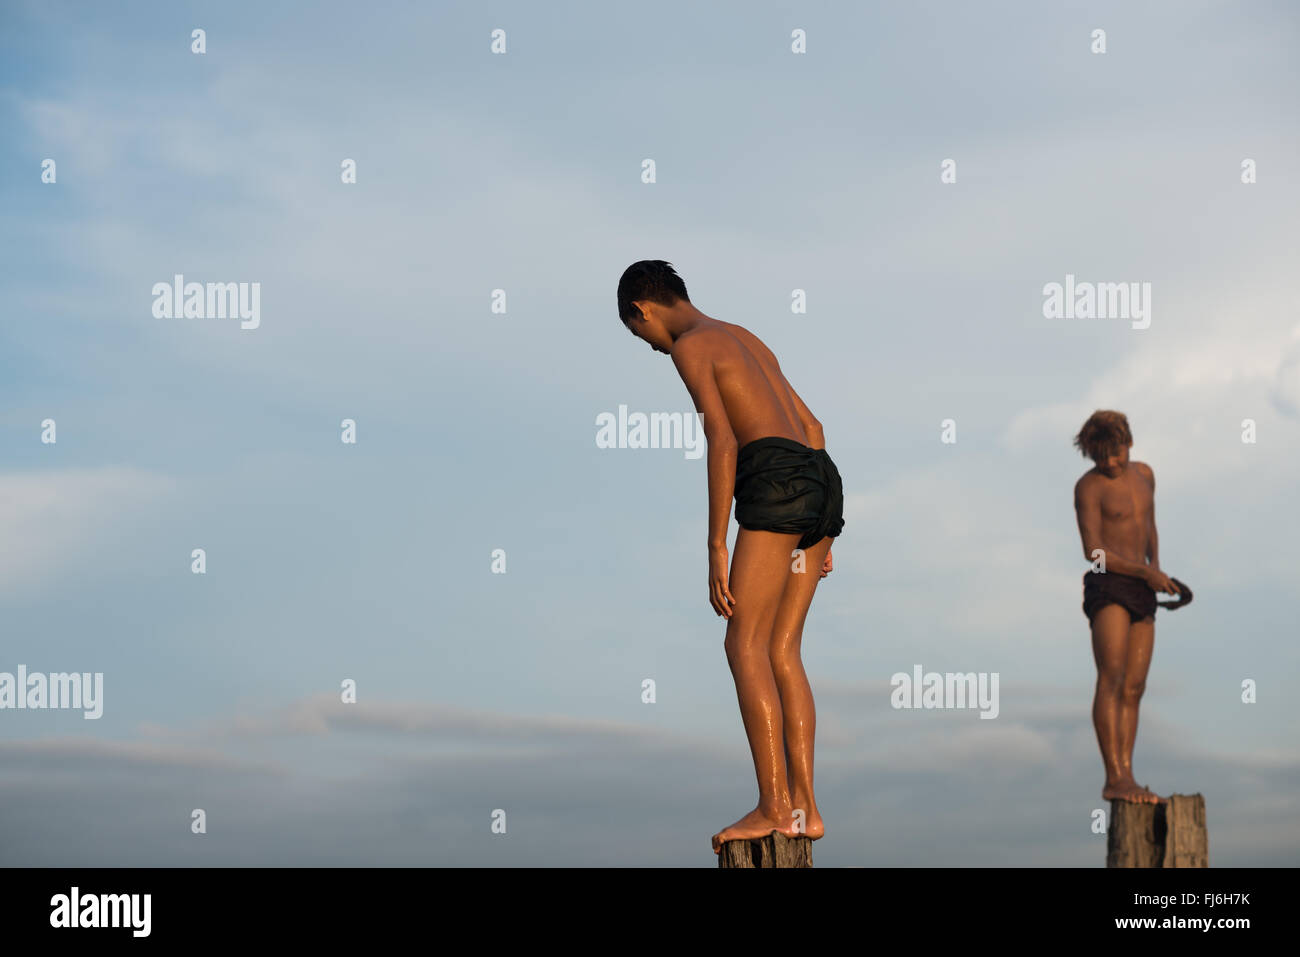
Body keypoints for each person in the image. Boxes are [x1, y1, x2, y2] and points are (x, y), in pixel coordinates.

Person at [617, 260, 844, 852]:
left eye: (637, 335)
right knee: (783, 649)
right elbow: (813, 424)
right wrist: (824, 533)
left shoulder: (694, 346)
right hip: (820, 481)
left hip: (773, 481)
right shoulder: (746, 338)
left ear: (643, 310)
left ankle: (773, 806)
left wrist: (717, 543)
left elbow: (721, 438)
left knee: (742, 645)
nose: (649, 347)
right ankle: (806, 810)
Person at [1072, 410, 1181, 804]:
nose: (1111, 463)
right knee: (1112, 678)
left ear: (1129, 443)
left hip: (1143, 585)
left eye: (1116, 453)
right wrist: (1140, 571)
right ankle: (1114, 778)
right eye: (1101, 457)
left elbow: (1148, 524)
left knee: (1135, 687)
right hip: (1109, 584)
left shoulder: (1146, 474)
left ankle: (1129, 776)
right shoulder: (1088, 488)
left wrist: (1156, 570)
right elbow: (1093, 553)